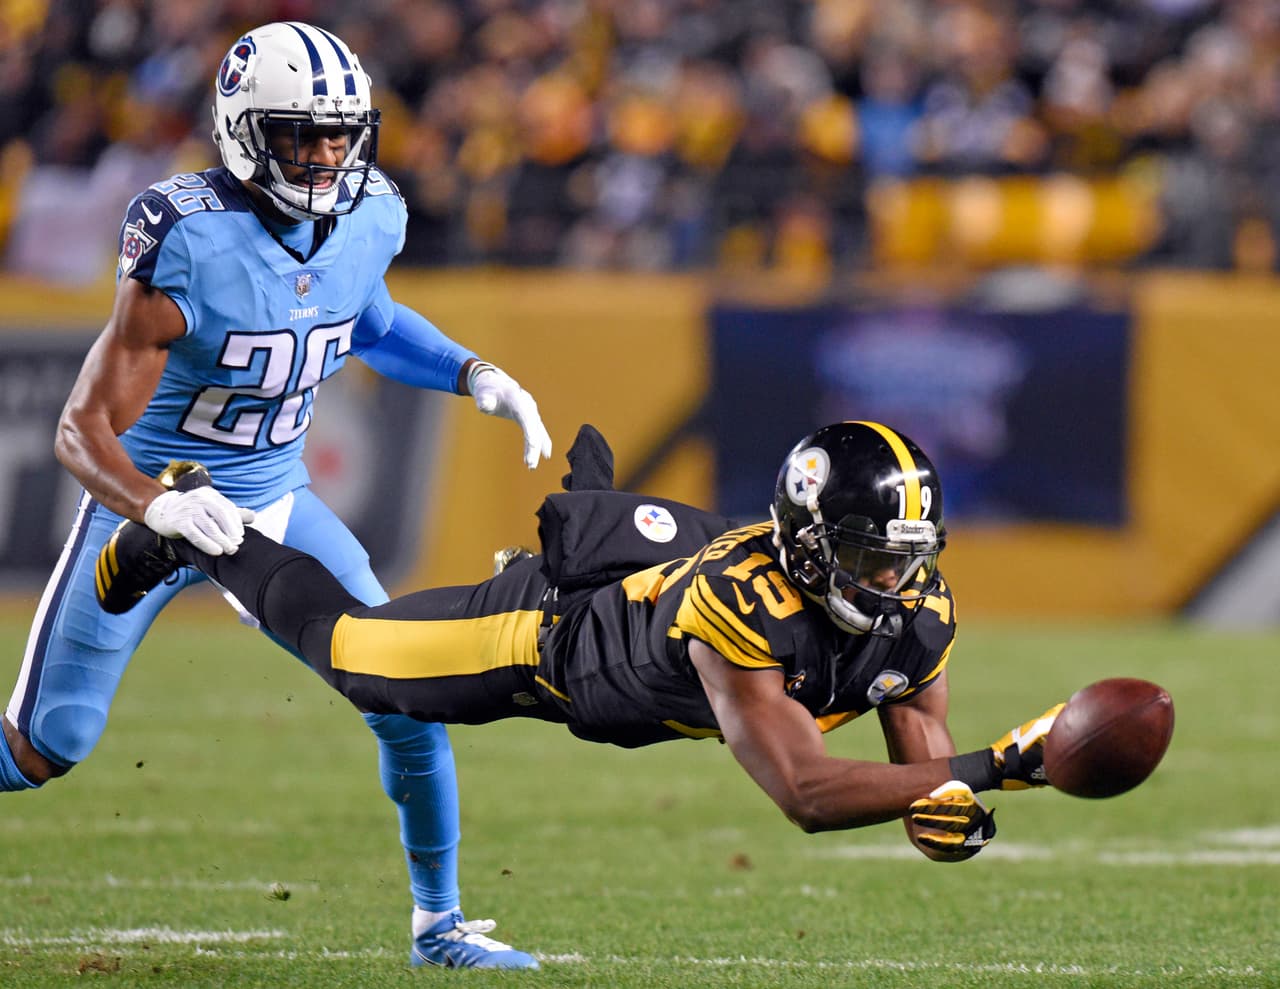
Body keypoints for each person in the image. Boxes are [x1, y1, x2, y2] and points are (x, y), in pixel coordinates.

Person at [3, 22, 549, 970]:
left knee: (405, 695)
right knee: (49, 745)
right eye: (303, 135)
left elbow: (366, 319)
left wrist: (472, 372)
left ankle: (441, 925)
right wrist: (155, 506)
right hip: (152, 511)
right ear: (244, 132)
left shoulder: (372, 213)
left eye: (343, 135)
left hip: (276, 499)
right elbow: (78, 429)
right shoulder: (189, 242)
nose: (329, 155)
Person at [96, 421, 1064, 863]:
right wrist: (1001, 766)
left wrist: (944, 808)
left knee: (630, 539)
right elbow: (805, 793)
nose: (889, 580)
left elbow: (923, 774)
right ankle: (190, 525)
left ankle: (595, 516)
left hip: (647, 624)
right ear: (807, 541)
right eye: (865, 552)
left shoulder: (918, 607)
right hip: (551, 643)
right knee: (348, 652)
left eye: (902, 556)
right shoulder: (747, 599)